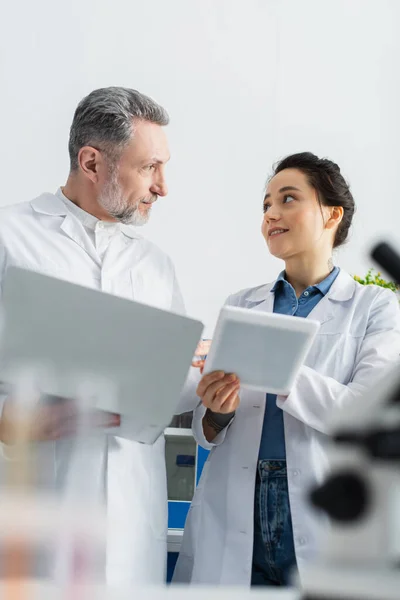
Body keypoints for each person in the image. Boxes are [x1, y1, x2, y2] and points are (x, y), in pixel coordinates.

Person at [173, 152, 400, 587]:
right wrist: (217, 411)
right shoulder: (242, 304)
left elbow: (362, 413)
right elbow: (208, 426)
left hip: (319, 506)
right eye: (265, 205)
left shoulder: (374, 307)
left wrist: (275, 365)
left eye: (288, 199)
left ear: (332, 213)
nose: (271, 214)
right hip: (237, 505)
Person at [0, 86, 198, 585]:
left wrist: (203, 376)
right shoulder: (11, 239)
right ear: (91, 162)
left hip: (133, 517)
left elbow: (167, 395)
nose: (163, 187)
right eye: (150, 167)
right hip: (38, 502)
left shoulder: (155, 265)